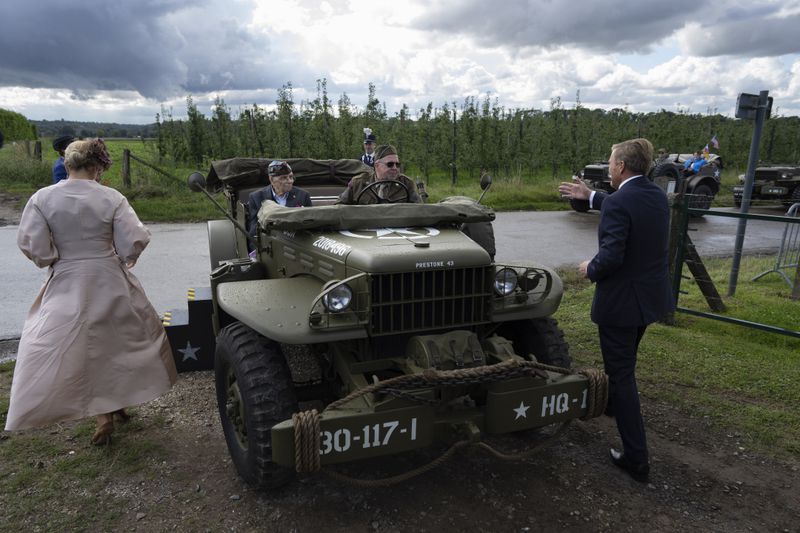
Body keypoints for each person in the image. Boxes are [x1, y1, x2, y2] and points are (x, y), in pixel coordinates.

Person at [5, 139, 178, 445]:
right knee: (117, 342)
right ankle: (111, 406)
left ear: (68, 165)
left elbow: (35, 245)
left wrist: (54, 257)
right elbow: (133, 238)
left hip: (67, 277)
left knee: (73, 346)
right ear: (96, 167)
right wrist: (126, 256)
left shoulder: (42, 199)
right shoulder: (111, 197)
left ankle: (105, 413)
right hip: (108, 275)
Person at [557, 138, 675, 483]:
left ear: (621, 167)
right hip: (648, 301)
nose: (609, 167)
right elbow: (625, 206)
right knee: (624, 365)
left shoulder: (620, 203)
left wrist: (588, 268)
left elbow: (611, 257)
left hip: (621, 305)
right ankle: (611, 403)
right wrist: (590, 196)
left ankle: (636, 458)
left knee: (622, 376)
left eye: (610, 163)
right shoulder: (655, 196)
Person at [338, 144, 423, 204]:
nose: (395, 168)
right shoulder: (358, 183)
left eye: (397, 164)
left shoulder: (406, 183)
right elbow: (339, 207)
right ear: (377, 165)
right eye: (390, 164)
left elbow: (419, 210)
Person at [247, 160, 311, 237]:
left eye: (291, 177)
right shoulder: (257, 197)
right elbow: (254, 231)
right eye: (283, 178)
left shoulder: (303, 195)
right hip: (270, 244)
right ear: (271, 180)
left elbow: (310, 224)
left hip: (297, 241)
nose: (290, 181)